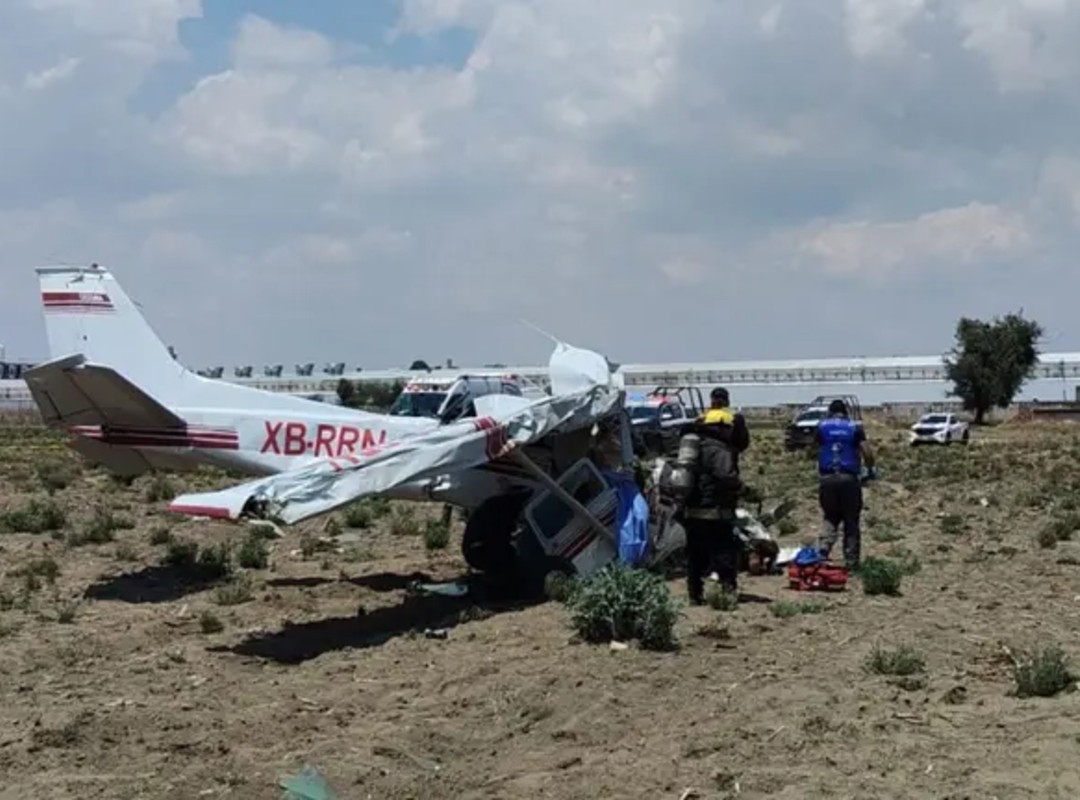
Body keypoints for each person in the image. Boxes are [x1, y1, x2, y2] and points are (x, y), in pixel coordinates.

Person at [681, 387, 748, 604]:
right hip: (716, 510)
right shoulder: (719, 448)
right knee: (724, 551)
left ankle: (695, 595)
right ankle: (727, 592)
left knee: (696, 555)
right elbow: (725, 475)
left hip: (692, 509)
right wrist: (741, 487)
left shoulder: (694, 443)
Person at [813, 398, 875, 569]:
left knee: (830, 516)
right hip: (849, 478)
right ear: (846, 411)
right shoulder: (854, 427)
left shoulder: (822, 427)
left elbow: (815, 447)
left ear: (830, 412)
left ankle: (822, 552)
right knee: (851, 519)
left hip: (827, 478)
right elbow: (867, 452)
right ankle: (851, 560)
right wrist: (870, 469)